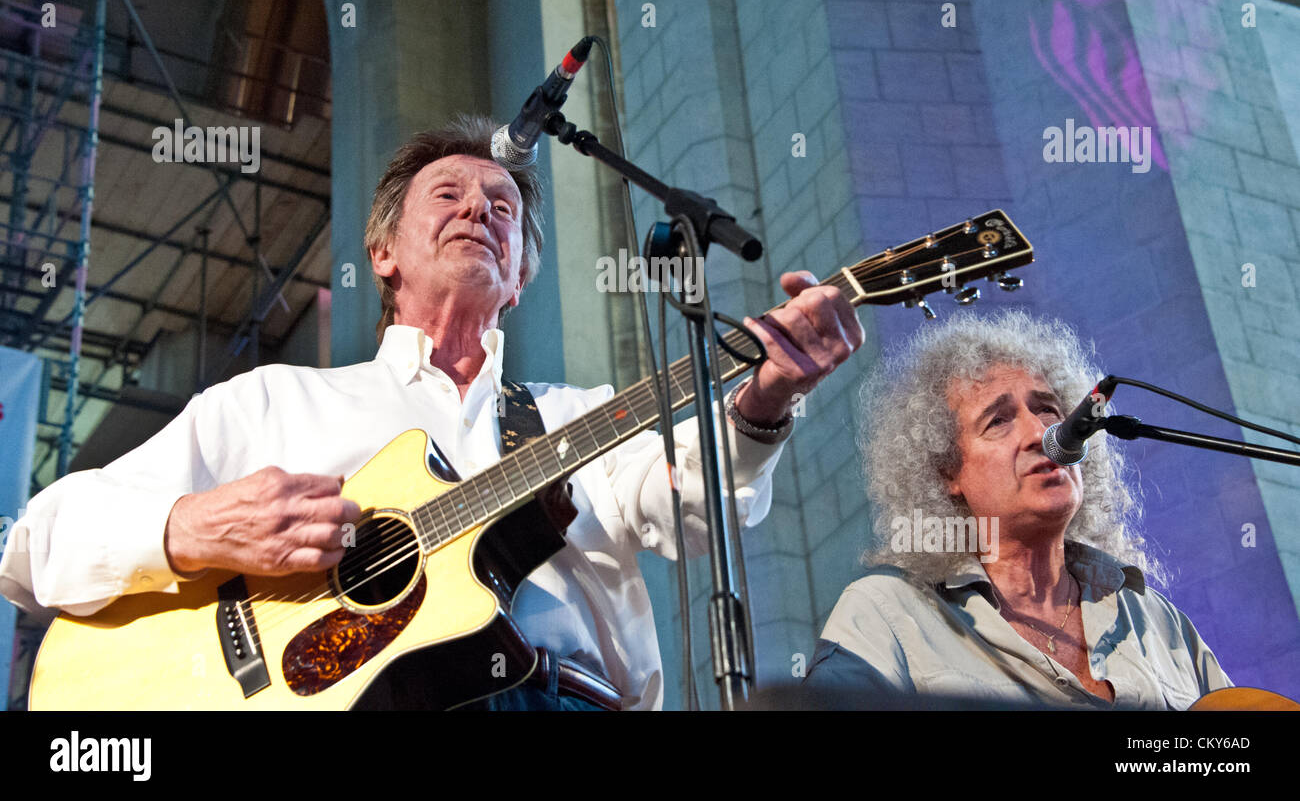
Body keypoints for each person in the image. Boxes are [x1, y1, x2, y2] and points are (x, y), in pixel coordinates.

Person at [0, 114, 864, 711]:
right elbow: (35, 544)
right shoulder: (272, 401)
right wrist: (192, 525)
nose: (478, 212)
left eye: (504, 209)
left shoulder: (579, 418)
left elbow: (694, 507)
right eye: (446, 196)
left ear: (521, 274)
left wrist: (762, 401)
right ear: (382, 252)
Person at [805, 310, 1231, 709]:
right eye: (998, 420)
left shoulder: (1155, 619)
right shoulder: (887, 613)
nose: (1039, 431)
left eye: (1047, 408)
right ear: (947, 471)